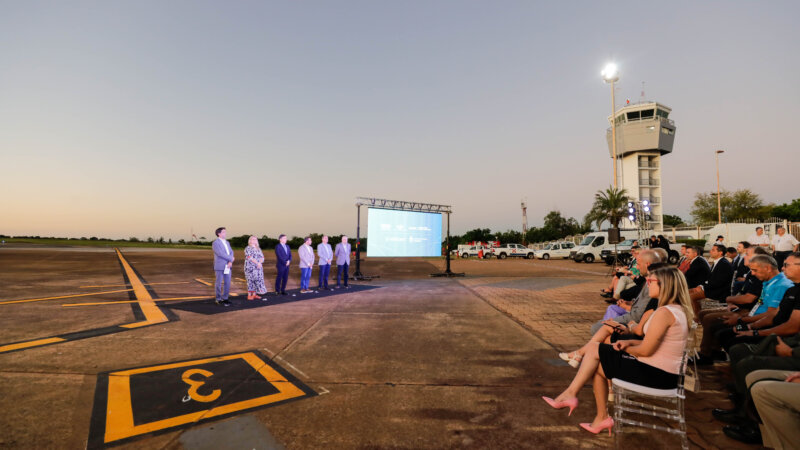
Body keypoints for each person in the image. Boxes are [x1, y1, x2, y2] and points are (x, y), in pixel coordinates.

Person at [542, 267, 693, 435]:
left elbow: (646, 350)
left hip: (657, 375)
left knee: (595, 352)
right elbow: (654, 343)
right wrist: (626, 343)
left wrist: (626, 348)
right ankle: (599, 416)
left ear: (665, 285)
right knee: (596, 363)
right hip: (663, 373)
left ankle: (572, 395)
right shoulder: (674, 309)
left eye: (651, 282)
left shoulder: (664, 313)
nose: (647, 284)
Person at [589, 250, 659, 334]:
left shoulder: (653, 284)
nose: (637, 267)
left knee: (597, 328)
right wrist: (630, 303)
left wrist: (621, 316)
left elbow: (638, 317)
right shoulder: (649, 281)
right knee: (603, 324)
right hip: (633, 319)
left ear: (647, 264)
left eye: (639, 264)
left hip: (634, 323)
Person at [212, 227, 234, 307]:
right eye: (224, 232)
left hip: (228, 265)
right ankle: (218, 299)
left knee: (227, 283)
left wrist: (230, 261)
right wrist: (230, 259)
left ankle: (225, 298)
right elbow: (220, 253)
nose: (225, 233)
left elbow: (231, 252)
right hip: (220, 266)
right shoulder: (215, 243)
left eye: (225, 232)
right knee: (219, 283)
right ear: (219, 233)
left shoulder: (227, 242)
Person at [244, 236, 268, 301]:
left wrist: (259, 263)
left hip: (258, 268)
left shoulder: (258, 249)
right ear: (250, 240)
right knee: (250, 281)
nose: (254, 240)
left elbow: (262, 257)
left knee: (256, 281)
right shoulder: (248, 248)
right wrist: (257, 263)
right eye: (252, 239)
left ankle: (254, 294)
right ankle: (249, 295)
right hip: (250, 268)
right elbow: (250, 257)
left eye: (255, 239)